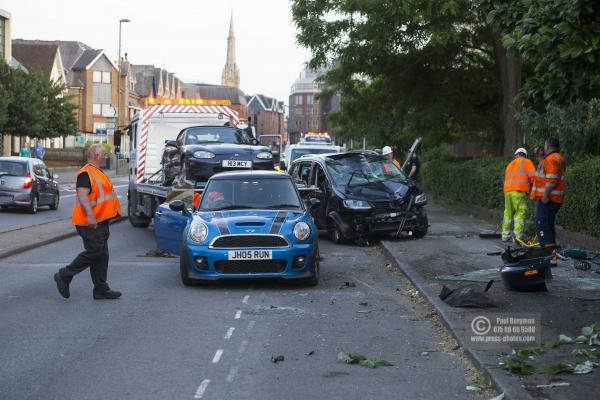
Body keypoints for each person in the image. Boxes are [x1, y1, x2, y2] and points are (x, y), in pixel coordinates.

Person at [53, 144, 122, 300]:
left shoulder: (99, 173)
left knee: (102, 255)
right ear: (95, 155)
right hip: (89, 222)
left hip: (100, 221)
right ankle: (64, 275)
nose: (106, 156)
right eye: (104, 154)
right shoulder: (85, 173)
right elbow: (83, 196)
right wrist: (91, 216)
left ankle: (101, 289)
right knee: (96, 251)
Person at [530, 137, 566, 254]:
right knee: (548, 224)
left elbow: (551, 180)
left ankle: (549, 255)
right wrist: (540, 157)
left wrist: (545, 196)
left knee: (543, 226)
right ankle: (552, 252)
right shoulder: (557, 158)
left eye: (544, 147)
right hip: (555, 198)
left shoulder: (551, 159)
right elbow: (544, 173)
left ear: (547, 147)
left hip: (548, 199)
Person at [502, 147, 536, 242]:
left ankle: (505, 236)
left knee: (508, 213)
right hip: (518, 191)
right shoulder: (526, 162)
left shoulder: (509, 164)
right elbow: (533, 177)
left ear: (516, 155)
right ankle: (517, 237)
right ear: (524, 155)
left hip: (507, 191)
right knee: (520, 212)